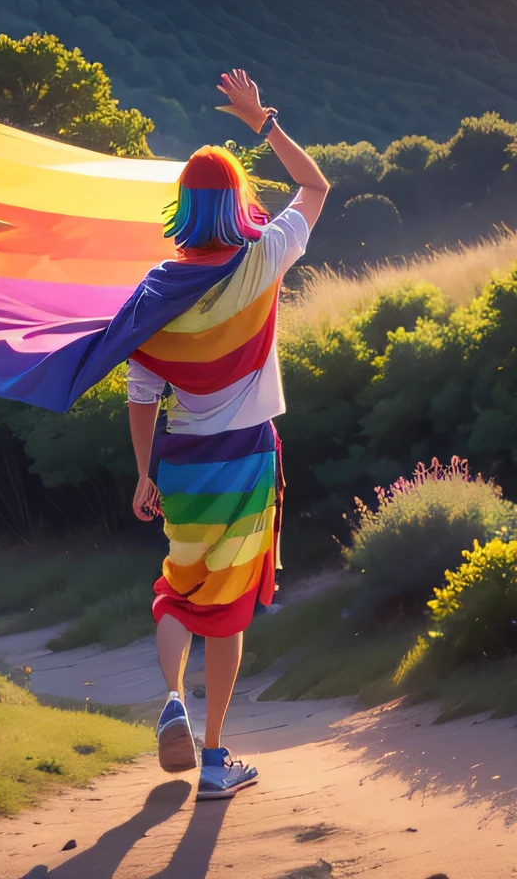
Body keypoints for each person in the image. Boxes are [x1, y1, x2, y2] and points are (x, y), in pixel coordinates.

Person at [127, 68, 329, 800]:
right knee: (231, 609)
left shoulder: (156, 293)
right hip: (246, 461)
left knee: (179, 594)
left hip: (182, 463)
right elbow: (316, 188)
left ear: (183, 207)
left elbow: (142, 392)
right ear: (238, 202)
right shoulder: (263, 257)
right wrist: (262, 123)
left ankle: (172, 702)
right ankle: (214, 761)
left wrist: (145, 472)